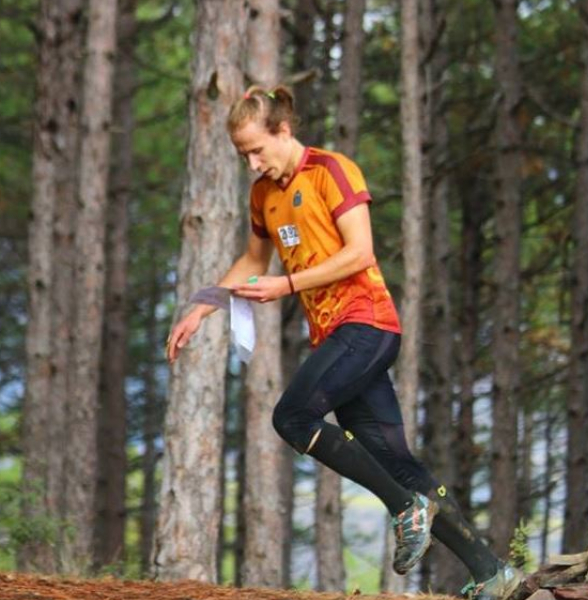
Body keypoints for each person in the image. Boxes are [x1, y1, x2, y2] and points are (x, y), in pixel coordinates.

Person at [166, 85, 523, 600]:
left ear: (283, 131)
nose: (251, 163)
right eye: (243, 154)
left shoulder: (332, 170)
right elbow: (252, 262)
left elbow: (360, 253)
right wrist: (202, 306)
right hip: (335, 335)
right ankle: (493, 573)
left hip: (368, 324)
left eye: (257, 150)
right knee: (398, 464)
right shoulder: (263, 195)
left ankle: (406, 508)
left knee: (292, 418)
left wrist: (287, 286)